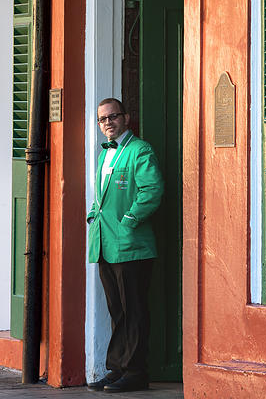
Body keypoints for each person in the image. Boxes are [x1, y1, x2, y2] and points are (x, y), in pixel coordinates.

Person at [86, 98, 164, 393]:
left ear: (126, 118)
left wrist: (129, 220)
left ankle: (136, 372)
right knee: (117, 309)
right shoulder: (103, 154)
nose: (107, 122)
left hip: (132, 244)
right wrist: (93, 216)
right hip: (105, 243)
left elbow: (152, 189)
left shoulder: (140, 150)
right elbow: (101, 197)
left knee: (134, 310)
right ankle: (117, 368)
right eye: (102, 119)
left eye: (113, 116)